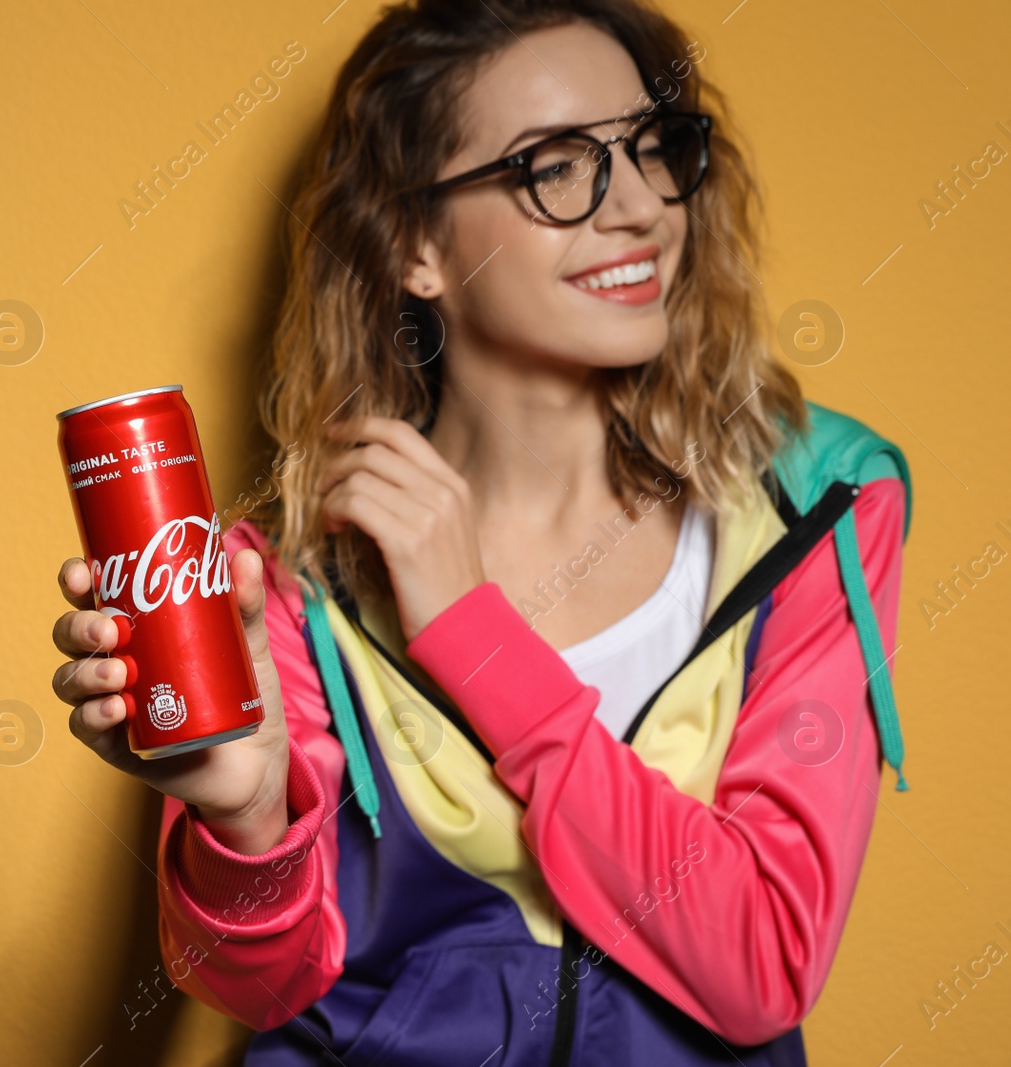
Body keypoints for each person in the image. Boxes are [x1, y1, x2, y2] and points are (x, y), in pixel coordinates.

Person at [50, 1, 912, 1062]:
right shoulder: (296, 572)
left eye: (652, 148)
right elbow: (261, 986)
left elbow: (760, 966)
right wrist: (244, 821)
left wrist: (472, 628)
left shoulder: (815, 500)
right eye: (556, 167)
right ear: (413, 245)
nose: (641, 205)